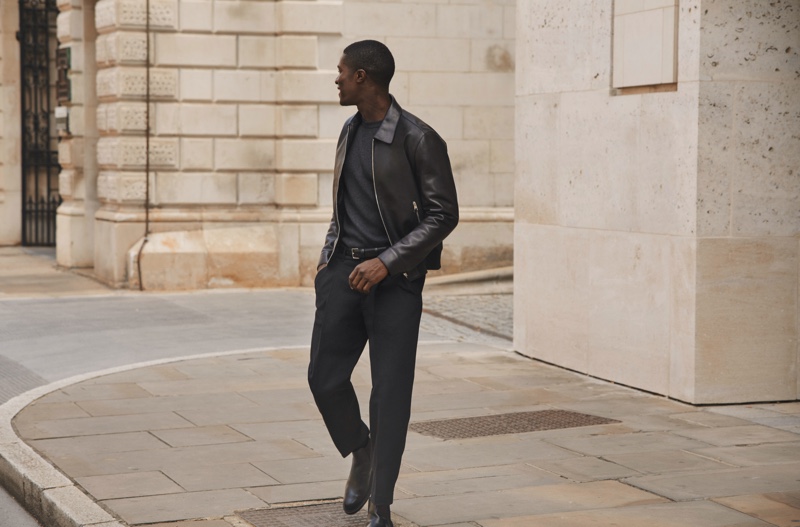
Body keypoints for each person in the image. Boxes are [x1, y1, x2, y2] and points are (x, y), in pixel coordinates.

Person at [307, 40, 459, 527]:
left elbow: (443, 215)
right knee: (324, 378)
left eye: (342, 72)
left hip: (395, 284)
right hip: (343, 276)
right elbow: (342, 207)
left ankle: (382, 505)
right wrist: (325, 267)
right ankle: (361, 449)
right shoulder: (349, 131)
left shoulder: (418, 138)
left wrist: (388, 263)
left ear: (363, 78)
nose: (336, 78)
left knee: (390, 393)